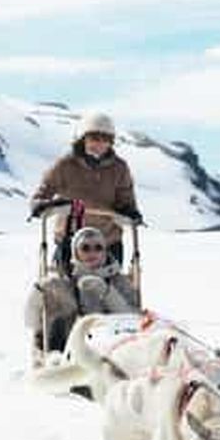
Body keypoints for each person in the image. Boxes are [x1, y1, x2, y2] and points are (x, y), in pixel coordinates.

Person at [30, 111, 142, 264]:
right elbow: (45, 188)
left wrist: (130, 212)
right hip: (69, 240)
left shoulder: (119, 168)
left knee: (112, 286)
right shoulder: (66, 165)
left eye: (106, 139)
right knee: (61, 285)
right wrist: (39, 204)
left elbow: (126, 199)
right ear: (83, 139)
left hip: (107, 242)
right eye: (94, 138)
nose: (100, 144)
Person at [25, 226, 137, 365]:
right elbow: (31, 322)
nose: (92, 252)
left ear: (105, 251)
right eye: (85, 248)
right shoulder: (64, 281)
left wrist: (107, 292)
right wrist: (37, 293)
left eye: (98, 247)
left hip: (111, 349)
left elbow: (132, 320)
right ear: (76, 252)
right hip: (70, 350)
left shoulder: (119, 281)